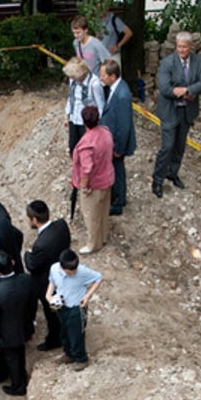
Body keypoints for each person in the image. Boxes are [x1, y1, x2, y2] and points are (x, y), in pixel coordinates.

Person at [151, 32, 201, 197]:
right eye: (179, 46)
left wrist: (188, 90)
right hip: (170, 110)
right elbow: (165, 88)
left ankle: (172, 173)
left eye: (184, 47)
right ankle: (158, 179)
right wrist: (184, 92)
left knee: (180, 146)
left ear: (191, 47)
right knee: (167, 146)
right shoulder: (167, 63)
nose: (181, 50)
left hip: (187, 111)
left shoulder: (199, 61)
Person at [23, 201, 71, 351]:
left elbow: (32, 266)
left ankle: (55, 339)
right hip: (64, 273)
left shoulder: (41, 245)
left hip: (47, 282)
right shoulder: (61, 225)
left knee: (51, 313)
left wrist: (27, 254)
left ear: (35, 220)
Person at [0, 251, 36, 397]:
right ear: (13, 263)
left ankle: (18, 387)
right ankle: (23, 376)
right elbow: (32, 303)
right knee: (21, 353)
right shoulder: (26, 280)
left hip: (6, 333)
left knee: (13, 360)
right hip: (24, 326)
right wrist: (31, 322)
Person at [46, 249, 102, 371]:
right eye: (70, 271)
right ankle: (69, 354)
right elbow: (52, 281)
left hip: (77, 308)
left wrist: (87, 296)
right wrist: (49, 296)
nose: (73, 272)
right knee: (64, 332)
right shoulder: (54, 268)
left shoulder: (82, 271)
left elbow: (98, 278)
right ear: (62, 266)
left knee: (76, 334)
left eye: (74, 270)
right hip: (61, 306)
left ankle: (81, 359)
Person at [71, 105, 114, 254]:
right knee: (103, 211)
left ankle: (93, 244)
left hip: (94, 185)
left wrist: (84, 186)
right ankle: (103, 237)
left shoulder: (86, 143)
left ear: (83, 122)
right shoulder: (106, 132)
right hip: (107, 179)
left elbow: (87, 168)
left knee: (91, 215)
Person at [98, 59, 137, 216]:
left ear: (112, 76)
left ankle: (119, 201)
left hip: (116, 144)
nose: (100, 77)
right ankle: (116, 197)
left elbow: (123, 125)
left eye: (103, 75)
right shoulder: (115, 88)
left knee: (118, 171)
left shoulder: (121, 95)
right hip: (112, 141)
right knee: (115, 170)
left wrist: (119, 148)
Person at [63, 57, 104, 154]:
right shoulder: (72, 81)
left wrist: (96, 124)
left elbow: (100, 106)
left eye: (73, 76)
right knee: (73, 148)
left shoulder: (94, 83)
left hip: (87, 121)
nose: (71, 78)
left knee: (86, 150)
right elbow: (71, 98)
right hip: (74, 118)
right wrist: (67, 115)